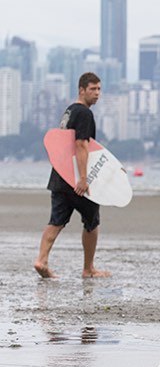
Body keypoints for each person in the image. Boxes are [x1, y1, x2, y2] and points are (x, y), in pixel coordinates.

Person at [34, 72, 111, 279]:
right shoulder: (84, 113)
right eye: (92, 89)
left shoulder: (69, 111)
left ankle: (41, 260)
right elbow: (81, 145)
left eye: (99, 89)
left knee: (56, 221)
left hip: (59, 177)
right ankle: (88, 269)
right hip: (76, 181)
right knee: (92, 222)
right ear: (81, 90)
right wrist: (84, 179)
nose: (97, 94)